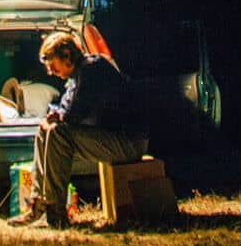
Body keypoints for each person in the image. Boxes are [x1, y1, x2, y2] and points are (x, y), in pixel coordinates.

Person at [9, 31, 144, 228]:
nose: (50, 72)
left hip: (127, 141)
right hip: (110, 137)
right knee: (45, 130)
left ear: (66, 55)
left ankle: (56, 213)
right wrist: (53, 117)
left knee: (57, 133)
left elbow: (75, 113)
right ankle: (38, 205)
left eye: (53, 65)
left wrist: (58, 118)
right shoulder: (76, 76)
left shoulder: (92, 68)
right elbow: (65, 110)